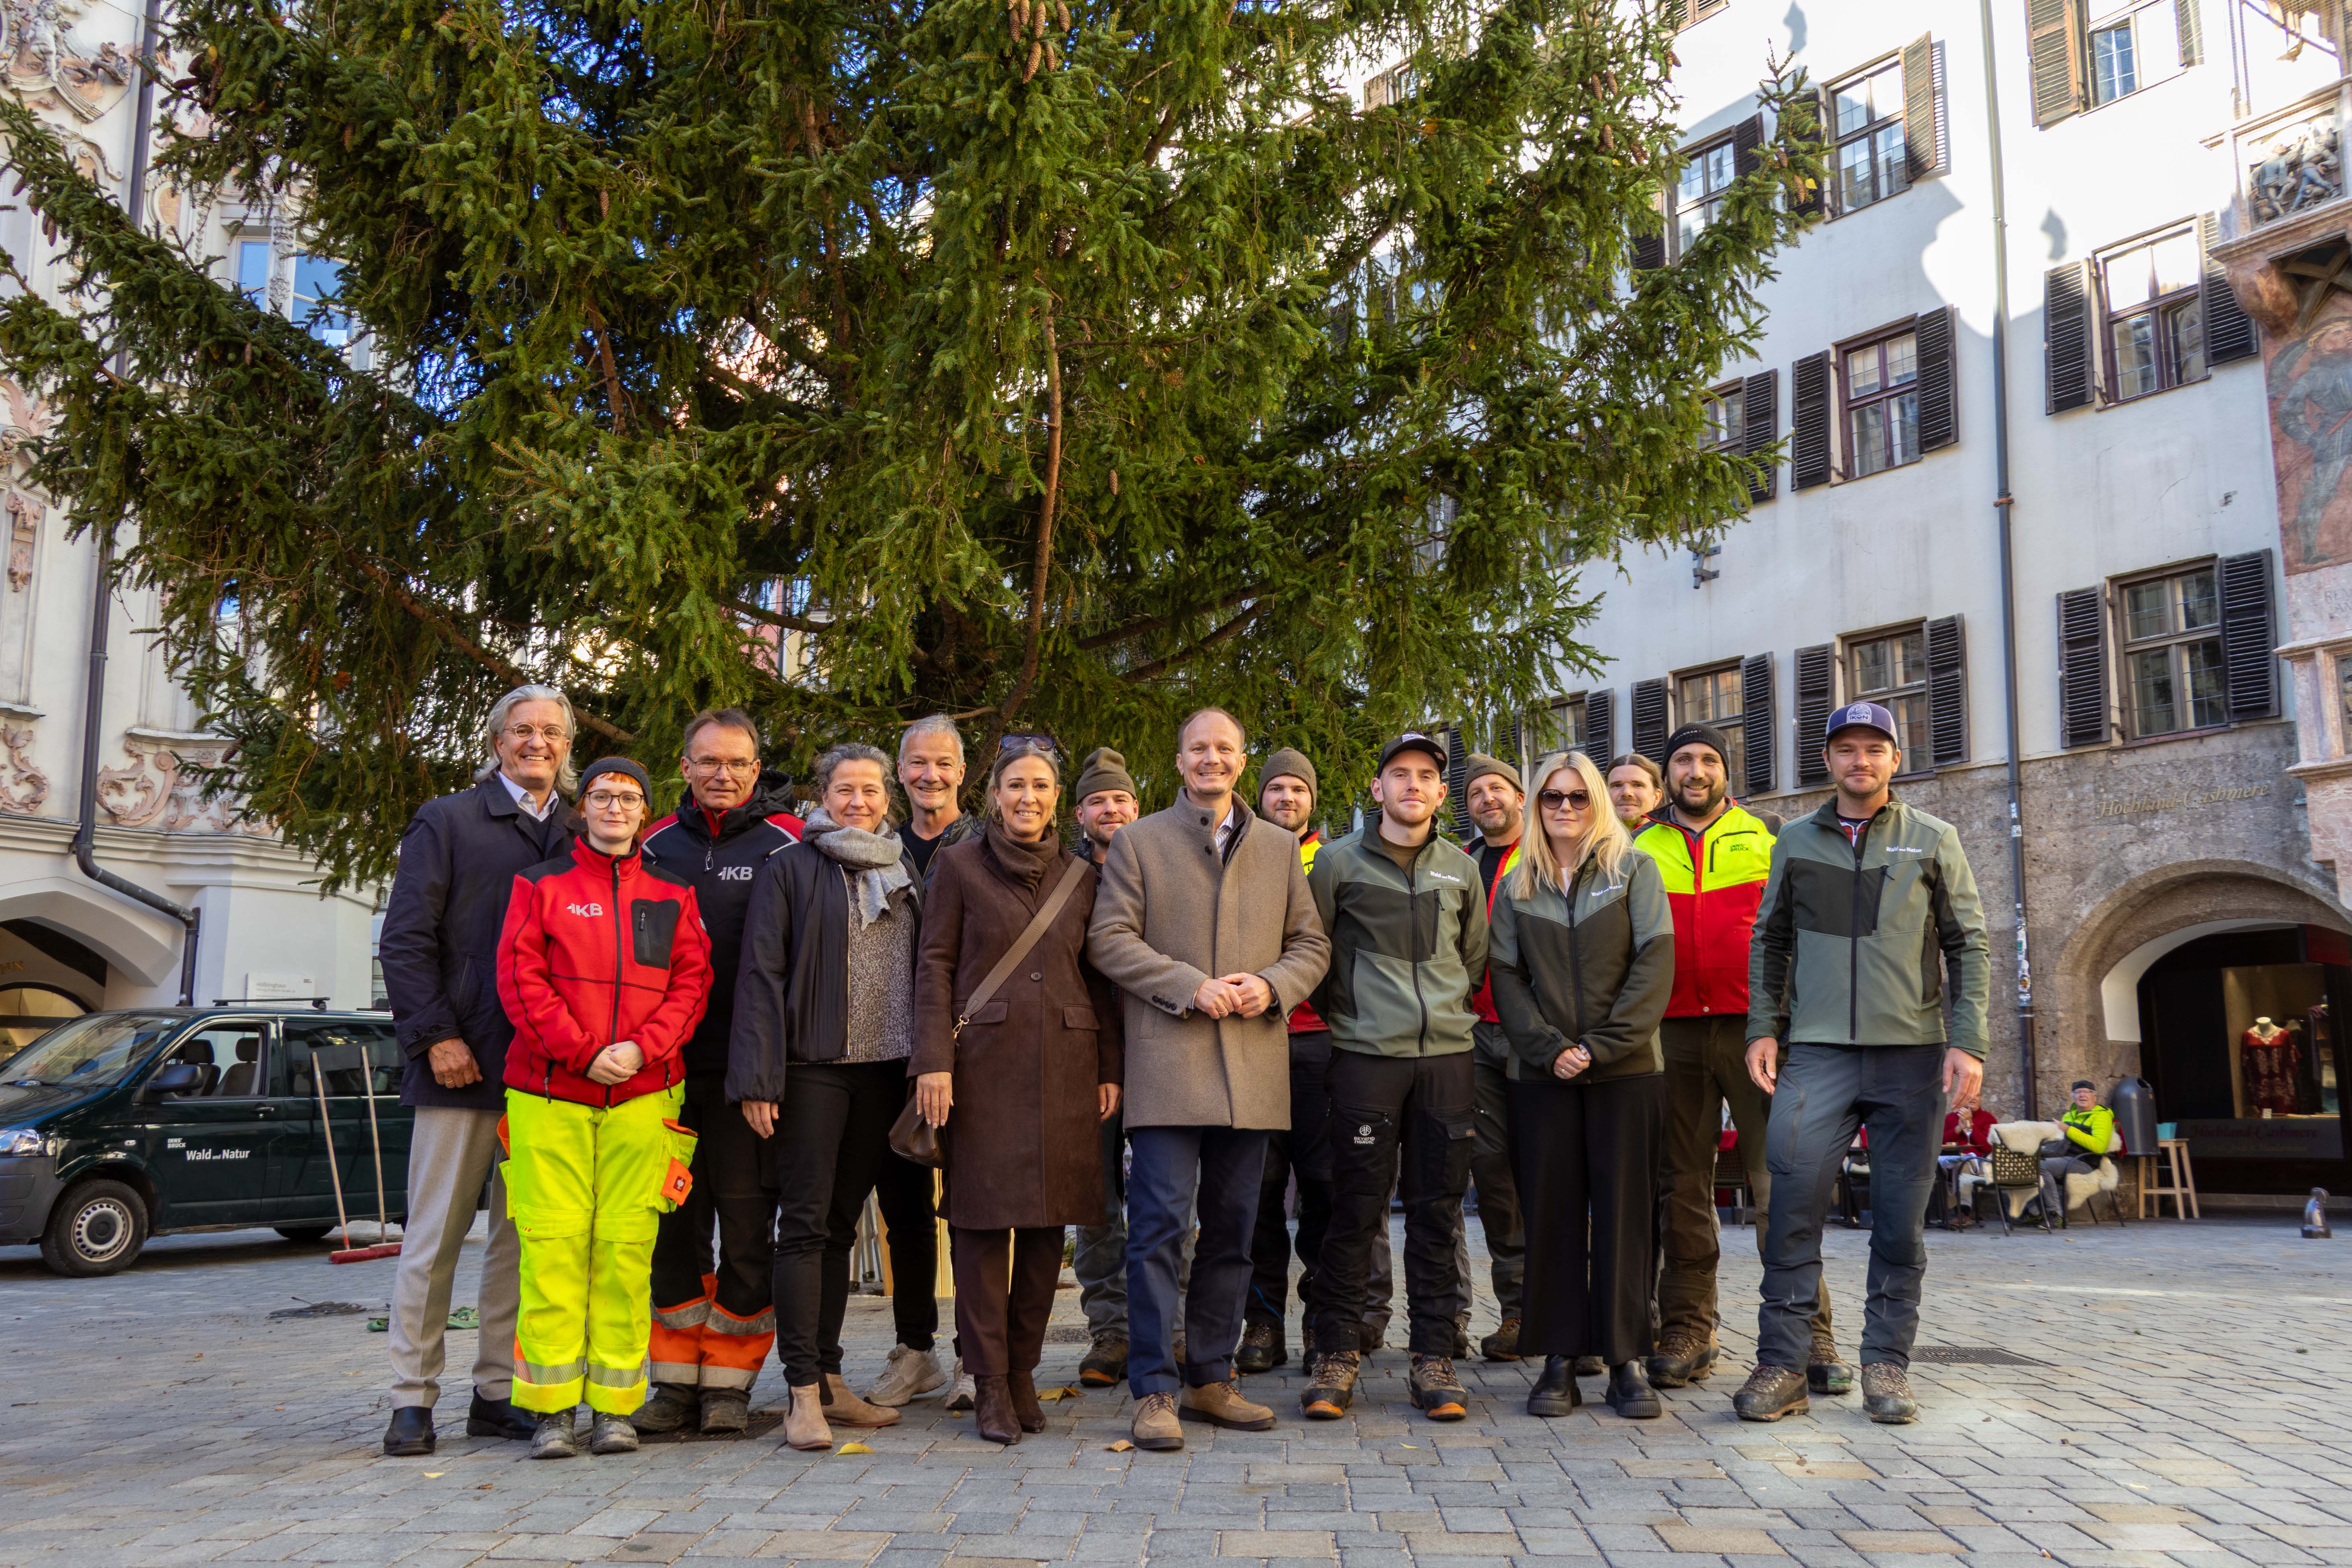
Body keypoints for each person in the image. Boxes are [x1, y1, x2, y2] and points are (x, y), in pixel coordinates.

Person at [1736, 701, 1989, 1427]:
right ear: (1827, 759)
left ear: (1893, 758)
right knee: (1790, 1205)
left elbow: (1967, 943)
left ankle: (1887, 1363)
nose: (1859, 760)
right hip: (1814, 1054)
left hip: (1909, 1054)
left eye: (1873, 748)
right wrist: (1764, 1026)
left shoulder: (1932, 839)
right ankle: (1782, 1364)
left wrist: (1965, 1040)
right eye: (1845, 748)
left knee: (1899, 1222)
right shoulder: (1793, 839)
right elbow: (1769, 939)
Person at [1088, 707, 1331, 1451]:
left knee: (1233, 1231)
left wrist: (1272, 984)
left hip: (1252, 1066)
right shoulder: (1138, 841)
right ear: (1179, 756)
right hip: (1168, 1061)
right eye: (1198, 747)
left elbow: (1310, 942)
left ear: (1240, 756)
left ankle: (1210, 1376)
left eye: (1224, 748)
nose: (1211, 759)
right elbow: (1109, 939)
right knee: (1159, 1227)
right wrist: (1189, 985)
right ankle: (1154, 1387)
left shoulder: (1279, 846)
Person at [376, 684, 578, 1457]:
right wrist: (434, 1035)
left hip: (543, 1076)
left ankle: (498, 1391)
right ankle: (410, 1398)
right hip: (458, 1066)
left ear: (566, 747)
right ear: (497, 741)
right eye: (522, 730)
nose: (537, 743)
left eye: (551, 733)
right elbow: (405, 939)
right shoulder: (448, 821)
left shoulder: (576, 830)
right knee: (434, 1239)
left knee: (520, 1245)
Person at [495, 757, 713, 1458]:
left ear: (645, 811)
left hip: (644, 1095)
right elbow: (520, 977)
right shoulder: (540, 885)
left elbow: (692, 981)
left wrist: (641, 1051)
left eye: (628, 797)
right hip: (549, 1091)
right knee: (553, 1248)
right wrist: (583, 1051)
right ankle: (551, 1409)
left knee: (625, 1252)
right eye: (601, 795)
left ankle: (616, 1407)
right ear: (581, 806)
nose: (614, 807)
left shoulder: (671, 892)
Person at [911, 743, 1124, 1444]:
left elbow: (1098, 979)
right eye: (1014, 785)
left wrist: (1108, 1068)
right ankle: (989, 1382)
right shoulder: (959, 865)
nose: (1026, 796)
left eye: (1039, 785)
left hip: (1066, 1066)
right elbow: (935, 965)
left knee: (1043, 1230)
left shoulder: (1080, 876)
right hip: (981, 1070)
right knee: (977, 1229)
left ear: (1056, 797)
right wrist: (932, 1062)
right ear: (994, 794)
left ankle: (1026, 1370)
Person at [1635, 723, 1845, 1398]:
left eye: (1706, 759)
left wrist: (1793, 1023)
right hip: (1669, 1034)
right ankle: (1687, 1328)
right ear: (1665, 775)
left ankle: (1807, 1332)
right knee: (1680, 1186)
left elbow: (1808, 936)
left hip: (1760, 1032)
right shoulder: (1636, 847)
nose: (1693, 771)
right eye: (1681, 761)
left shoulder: (1771, 838)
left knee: (1778, 1182)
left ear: (1725, 771)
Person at [731, 742, 927, 1451]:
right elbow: (760, 974)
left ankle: (834, 1377)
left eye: (870, 790)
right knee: (806, 1226)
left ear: (887, 798)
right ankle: (802, 1392)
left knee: (843, 1228)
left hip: (885, 1069)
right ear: (823, 793)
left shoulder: (901, 867)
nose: (858, 801)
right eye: (844, 789)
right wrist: (757, 1077)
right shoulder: (790, 868)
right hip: (814, 1067)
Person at [1300, 732, 1487, 1424]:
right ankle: (1336, 1353)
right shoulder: (1337, 864)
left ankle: (1432, 1357)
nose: (1412, 785)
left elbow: (1471, 961)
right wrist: (1354, 1017)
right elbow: (1313, 955)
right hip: (1363, 1058)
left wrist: (1435, 1018)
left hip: (1445, 1059)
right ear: (1375, 789)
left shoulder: (1458, 871)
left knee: (1437, 1211)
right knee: (1352, 1209)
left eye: (1426, 777)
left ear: (1442, 794)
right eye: (1398, 775)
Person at [1489, 750, 1674, 1420]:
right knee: (1551, 1215)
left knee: (1625, 1216)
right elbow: (1504, 979)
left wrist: (1597, 1048)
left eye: (1576, 796)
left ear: (1596, 802)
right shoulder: (1517, 884)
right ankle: (1559, 1358)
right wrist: (1547, 1050)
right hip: (1539, 1077)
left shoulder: (1634, 871)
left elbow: (1653, 964)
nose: (1564, 808)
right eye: (1550, 798)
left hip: (1625, 1072)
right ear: (1533, 807)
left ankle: (1626, 1359)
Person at [636, 710, 803, 1436]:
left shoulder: (787, 843)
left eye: (737, 763)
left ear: (757, 768)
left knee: (744, 1229)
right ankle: (674, 1381)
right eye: (708, 761)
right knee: (672, 1230)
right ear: (684, 767)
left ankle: (730, 1382)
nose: (723, 775)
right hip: (662, 1075)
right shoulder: (649, 846)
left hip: (748, 1079)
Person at [1239, 747, 1392, 1374]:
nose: (1286, 798)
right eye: (1275, 788)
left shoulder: (1335, 860)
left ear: (1312, 800)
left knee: (1328, 1190)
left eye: (1297, 790)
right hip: (1254, 1040)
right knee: (1259, 1191)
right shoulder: (1241, 855)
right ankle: (1262, 1323)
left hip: (1323, 1042)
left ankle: (1326, 1320)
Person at [1069, 747, 1141, 1388]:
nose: (1110, 808)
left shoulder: (1161, 868)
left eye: (1119, 799)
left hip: (1158, 1057)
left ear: (1136, 807)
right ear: (1080, 813)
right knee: (1096, 1202)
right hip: (1086, 1062)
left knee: (1168, 1202)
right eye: (1098, 800)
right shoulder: (1066, 878)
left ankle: (1167, 1330)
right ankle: (1110, 1331)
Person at [1458, 753, 1528, 1364]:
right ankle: (1517, 1309)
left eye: (1496, 789)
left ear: (1520, 796)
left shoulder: (1548, 851)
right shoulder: (1462, 862)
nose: (1486, 799)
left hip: (1539, 1031)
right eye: (1476, 792)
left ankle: (1572, 1305)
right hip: (1476, 1033)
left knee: (1557, 1170)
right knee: (1494, 1172)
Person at [898, 713, 982, 877]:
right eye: (918, 763)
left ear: (960, 773)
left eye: (944, 764)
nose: (931, 777)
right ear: (901, 771)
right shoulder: (884, 848)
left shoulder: (989, 845)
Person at [2038, 1082, 2116, 1220]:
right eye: (2079, 1092)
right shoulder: (2069, 1116)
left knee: (2041, 1167)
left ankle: (2055, 1216)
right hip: (2064, 1158)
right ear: (2073, 1096)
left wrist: (2068, 1129)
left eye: (2087, 1092)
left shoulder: (2102, 1116)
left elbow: (2099, 1147)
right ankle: (2036, 1213)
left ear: (2095, 1097)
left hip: (2085, 1163)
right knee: (2030, 1163)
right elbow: (2062, 1141)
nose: (2083, 1095)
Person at [1606, 754, 1664, 831]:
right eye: (1617, 786)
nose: (1626, 792)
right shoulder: (1589, 840)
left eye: (1638, 785)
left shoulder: (1675, 839)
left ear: (1656, 797)